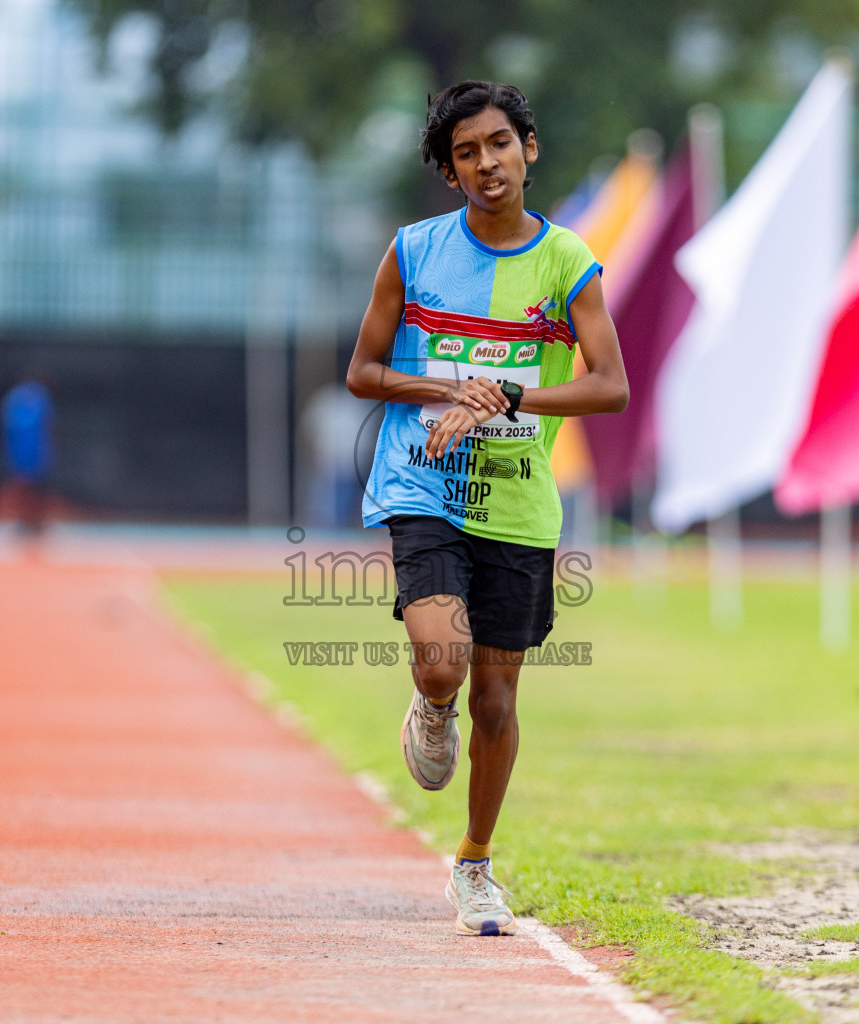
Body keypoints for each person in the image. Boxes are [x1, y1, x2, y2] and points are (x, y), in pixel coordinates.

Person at [345, 81, 629, 936]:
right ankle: (430, 704)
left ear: (528, 148)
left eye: (499, 144)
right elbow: (363, 372)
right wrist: (450, 388)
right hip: (422, 482)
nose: (487, 164)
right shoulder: (414, 252)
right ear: (448, 170)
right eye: (466, 152)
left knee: (498, 705)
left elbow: (608, 387)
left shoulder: (567, 262)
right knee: (443, 663)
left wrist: (506, 395)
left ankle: (474, 862)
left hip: (516, 500)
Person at [0, 375, 55, 534]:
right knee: (37, 488)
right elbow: (48, 425)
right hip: (36, 450)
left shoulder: (13, 397)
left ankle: (24, 520)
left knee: (23, 486)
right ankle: (35, 521)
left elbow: (7, 427)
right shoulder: (41, 396)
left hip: (18, 450)